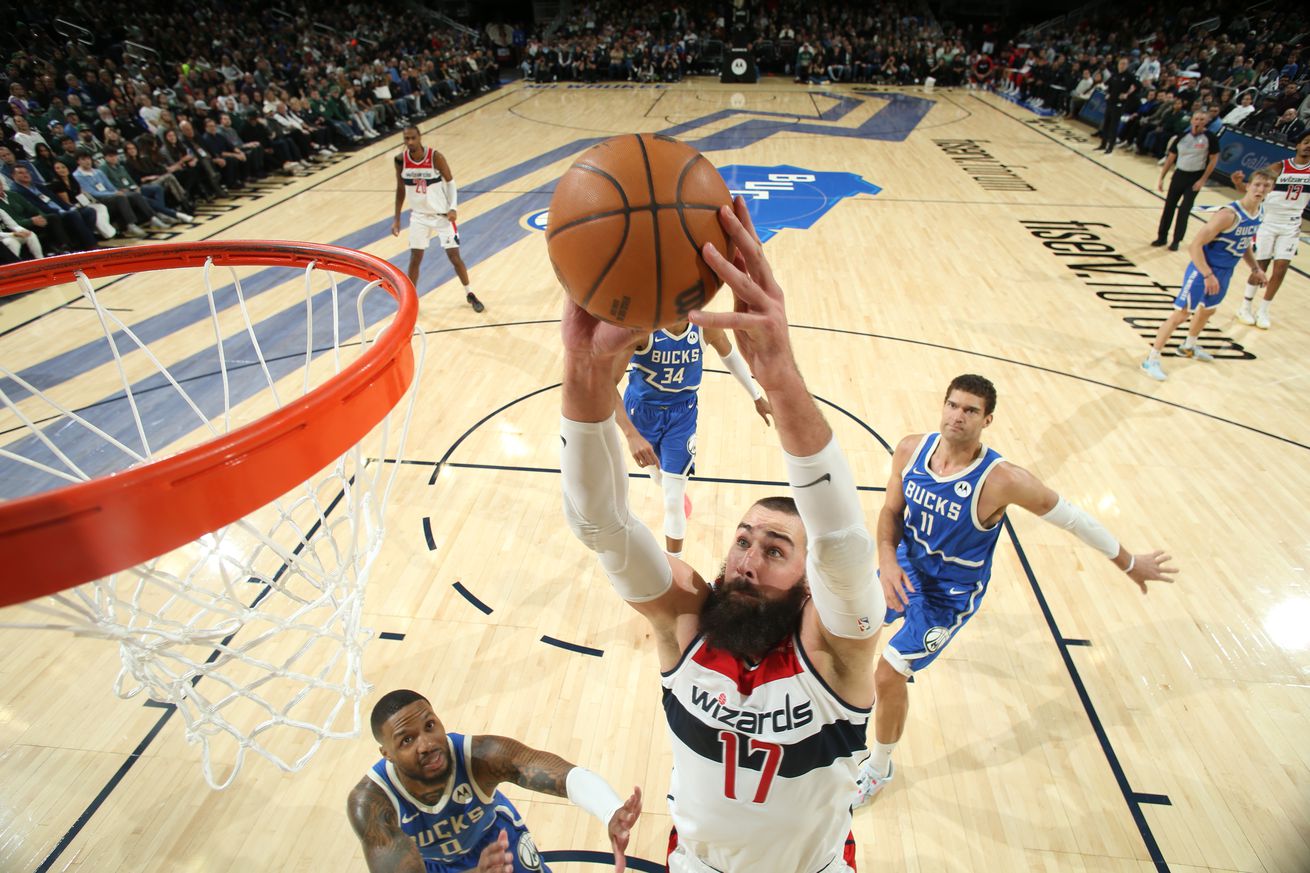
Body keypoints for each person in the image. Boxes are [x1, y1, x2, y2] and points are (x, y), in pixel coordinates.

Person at [561, 197, 884, 873]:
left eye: (773, 550)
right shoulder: (686, 619)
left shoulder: (836, 651)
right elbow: (601, 525)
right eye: (742, 540)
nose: (745, 559)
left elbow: (844, 544)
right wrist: (584, 380)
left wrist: (781, 375)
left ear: (808, 583)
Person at [854, 374, 1178, 804]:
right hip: (904, 568)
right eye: (953, 405)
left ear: (987, 420)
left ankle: (879, 767)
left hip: (948, 595)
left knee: (888, 672)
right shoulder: (911, 449)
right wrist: (888, 558)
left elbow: (1074, 518)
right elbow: (890, 511)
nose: (958, 416)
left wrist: (1129, 561)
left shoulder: (1004, 479)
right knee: (849, 627)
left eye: (971, 411)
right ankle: (837, 716)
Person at [347, 689, 642, 873]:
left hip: (497, 842)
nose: (427, 744)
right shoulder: (371, 802)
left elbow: (557, 773)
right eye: (408, 740)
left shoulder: (480, 756)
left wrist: (609, 810)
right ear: (386, 754)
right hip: (430, 866)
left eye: (430, 726)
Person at [612, 322, 773, 558]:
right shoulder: (642, 330)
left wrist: (757, 396)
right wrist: (630, 434)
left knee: (673, 498)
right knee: (657, 475)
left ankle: (674, 566)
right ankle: (663, 480)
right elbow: (607, 382)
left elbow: (730, 356)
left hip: (682, 415)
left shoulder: (705, 325)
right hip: (642, 413)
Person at [1141, 167, 1275, 381]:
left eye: (1266, 186)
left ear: (1271, 189)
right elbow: (1195, 246)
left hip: (1224, 271)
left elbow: (1244, 243)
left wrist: (1255, 268)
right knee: (1181, 314)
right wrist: (1206, 274)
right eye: (1257, 184)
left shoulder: (1260, 213)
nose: (1261, 189)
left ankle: (1188, 347)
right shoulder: (1228, 214)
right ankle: (1151, 359)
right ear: (1248, 186)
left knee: (1207, 312)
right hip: (1203, 269)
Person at [391, 125, 484, 313]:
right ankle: (410, 300)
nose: (409, 142)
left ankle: (470, 293)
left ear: (420, 137)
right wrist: (397, 218)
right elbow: (400, 189)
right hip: (418, 216)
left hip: (441, 216)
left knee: (454, 257)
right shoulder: (400, 160)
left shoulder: (435, 157)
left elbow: (450, 182)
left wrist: (452, 208)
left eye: (412, 138)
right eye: (406, 139)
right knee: (415, 258)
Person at [1230, 130, 1310, 329]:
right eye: (1306, 142)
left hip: (1292, 224)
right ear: (1298, 145)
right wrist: (1239, 184)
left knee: (1281, 268)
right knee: (1261, 267)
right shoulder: (1280, 167)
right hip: (1268, 221)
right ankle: (1245, 306)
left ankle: (1264, 309)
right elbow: (1254, 189)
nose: (1308, 146)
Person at [1152, 110, 1220, 250]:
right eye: (1196, 119)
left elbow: (1214, 160)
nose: (1198, 122)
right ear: (1191, 120)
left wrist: (1202, 180)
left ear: (1206, 121)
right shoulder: (1181, 137)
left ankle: (1176, 240)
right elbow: (1171, 157)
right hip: (1179, 175)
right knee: (1169, 206)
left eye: (1202, 119)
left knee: (1184, 210)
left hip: (1195, 177)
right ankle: (1162, 237)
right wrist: (1162, 178)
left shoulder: (1210, 138)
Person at [1098, 56, 1139, 153]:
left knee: (1113, 126)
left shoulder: (1129, 76)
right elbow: (1108, 85)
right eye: (1121, 63)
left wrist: (1127, 94)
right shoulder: (1115, 74)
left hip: (1119, 104)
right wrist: (1108, 93)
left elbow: (1137, 86)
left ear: (1127, 65)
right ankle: (1103, 144)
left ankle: (1110, 147)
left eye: (1124, 64)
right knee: (1106, 124)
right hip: (1110, 102)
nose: (1122, 65)